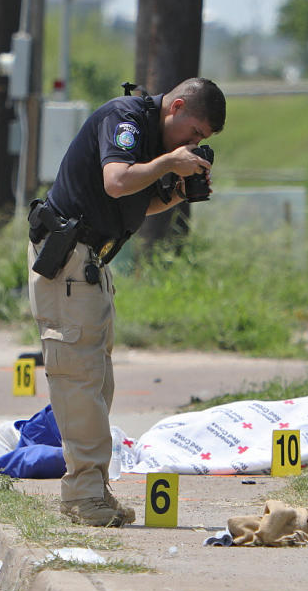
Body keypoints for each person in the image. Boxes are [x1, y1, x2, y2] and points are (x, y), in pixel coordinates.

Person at [27, 77, 227, 526]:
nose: (193, 144)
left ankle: (93, 490)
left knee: (97, 382)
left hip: (91, 263)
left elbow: (134, 204)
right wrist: (169, 162)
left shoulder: (154, 138)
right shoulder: (127, 119)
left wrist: (177, 190)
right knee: (78, 378)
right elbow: (116, 182)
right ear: (175, 107)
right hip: (69, 261)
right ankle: (82, 498)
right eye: (193, 134)